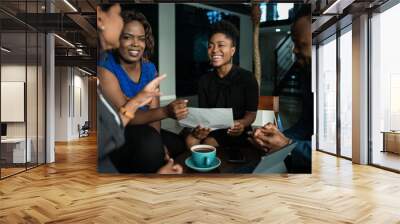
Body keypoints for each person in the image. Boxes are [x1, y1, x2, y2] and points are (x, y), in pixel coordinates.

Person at [96, 3, 182, 174]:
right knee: (150, 147)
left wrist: (158, 140)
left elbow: (154, 112)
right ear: (118, 39)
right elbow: (127, 116)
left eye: (141, 39)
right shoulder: (105, 68)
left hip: (145, 129)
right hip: (118, 132)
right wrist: (166, 112)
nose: (136, 44)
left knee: (180, 143)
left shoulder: (149, 68)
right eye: (128, 37)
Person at [250, 6, 312, 173]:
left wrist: (287, 144)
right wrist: (275, 136)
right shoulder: (307, 77)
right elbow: (305, 127)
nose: (293, 50)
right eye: (293, 43)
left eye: (300, 44)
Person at [185, 20, 259, 150]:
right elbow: (205, 115)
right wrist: (199, 130)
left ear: (232, 50)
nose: (214, 50)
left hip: (237, 130)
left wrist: (241, 123)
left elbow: (251, 114)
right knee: (190, 140)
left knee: (208, 143)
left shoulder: (247, 78)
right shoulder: (204, 80)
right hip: (213, 128)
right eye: (210, 46)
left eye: (221, 45)